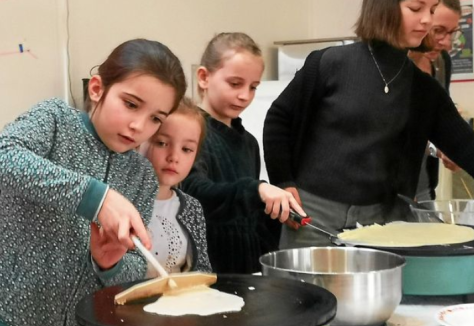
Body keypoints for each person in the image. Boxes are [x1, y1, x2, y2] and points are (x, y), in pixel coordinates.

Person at [0, 38, 186, 326]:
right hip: (8, 313)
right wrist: (97, 198)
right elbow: (0, 156)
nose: (139, 126)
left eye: (155, 119)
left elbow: (133, 271)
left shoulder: (142, 176)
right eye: (131, 104)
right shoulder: (55, 120)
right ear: (97, 89)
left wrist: (110, 263)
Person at [263, 0, 474, 249]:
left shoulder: (425, 91)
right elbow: (278, 120)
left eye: (431, 9)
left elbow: (466, 147)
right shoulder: (330, 63)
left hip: (383, 223)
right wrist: (284, 183)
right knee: (309, 289)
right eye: (416, 9)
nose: (427, 19)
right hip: (313, 218)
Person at [181, 32, 305, 274]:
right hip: (208, 270)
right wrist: (256, 189)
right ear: (204, 77)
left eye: (253, 87)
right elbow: (194, 194)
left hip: (248, 270)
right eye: (235, 84)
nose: (244, 96)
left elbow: (250, 218)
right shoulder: (191, 134)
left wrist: (276, 214)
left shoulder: (248, 143)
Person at [91, 98, 212, 276]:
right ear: (138, 142)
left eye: (186, 149)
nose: (174, 157)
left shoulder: (192, 208)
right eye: (162, 143)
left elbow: (203, 271)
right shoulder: (115, 205)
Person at [409, 0, 462, 201]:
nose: (447, 43)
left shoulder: (442, 62)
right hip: (390, 193)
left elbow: (439, 119)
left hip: (424, 185)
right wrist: (437, 147)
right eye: (439, 30)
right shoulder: (391, 69)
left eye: (452, 33)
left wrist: (451, 144)